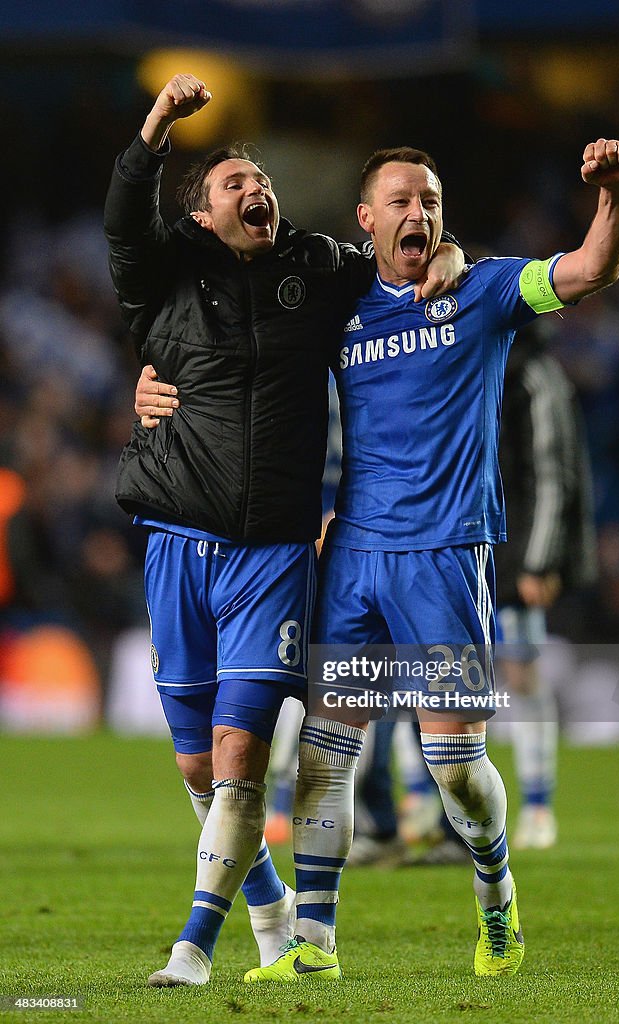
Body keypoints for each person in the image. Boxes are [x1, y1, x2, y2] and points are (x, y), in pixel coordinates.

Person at [138, 136, 619, 979]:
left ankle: (497, 893)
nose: (420, 212)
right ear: (366, 220)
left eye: (430, 200)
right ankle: (314, 946)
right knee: (326, 753)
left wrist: (616, 196)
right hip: (355, 553)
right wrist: (152, 384)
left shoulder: (480, 289)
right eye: (400, 200)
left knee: (455, 771)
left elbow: (589, 270)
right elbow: (240, 353)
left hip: (444, 555)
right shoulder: (340, 305)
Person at [105, 73, 463, 988]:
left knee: (240, 754)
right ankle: (269, 917)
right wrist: (156, 131)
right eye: (232, 181)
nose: (254, 185)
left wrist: (449, 254)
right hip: (178, 539)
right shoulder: (167, 275)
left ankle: (193, 945)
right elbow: (122, 222)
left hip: (271, 552)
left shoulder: (318, 267)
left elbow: (399, 259)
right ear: (200, 216)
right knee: (200, 768)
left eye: (257, 175)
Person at [494, 326, 598, 850]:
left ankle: (538, 806)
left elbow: (552, 476)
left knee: (521, 674)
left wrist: (537, 560)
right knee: (434, 674)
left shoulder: (532, 375)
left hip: (514, 553)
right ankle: (423, 804)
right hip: (470, 545)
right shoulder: (475, 363)